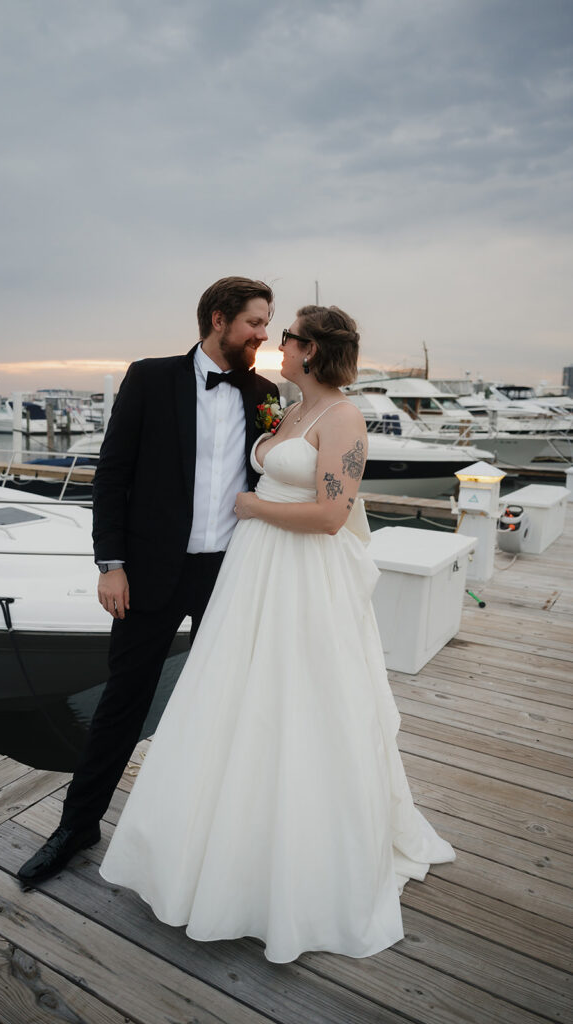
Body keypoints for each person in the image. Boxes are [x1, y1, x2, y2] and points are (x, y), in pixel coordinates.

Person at [98, 304, 456, 962]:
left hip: (301, 576)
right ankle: (216, 845)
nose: (277, 344)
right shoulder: (287, 409)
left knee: (299, 705)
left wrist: (252, 505)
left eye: (287, 337)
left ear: (312, 350)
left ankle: (291, 867)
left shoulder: (343, 418)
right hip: (252, 575)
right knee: (234, 702)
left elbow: (329, 515)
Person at [17, 276, 279, 886]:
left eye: (267, 324)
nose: (263, 334)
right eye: (255, 323)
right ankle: (77, 826)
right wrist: (111, 564)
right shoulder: (150, 377)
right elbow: (111, 477)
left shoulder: (265, 393)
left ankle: (214, 840)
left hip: (231, 575)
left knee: (228, 707)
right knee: (122, 705)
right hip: (150, 575)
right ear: (219, 319)